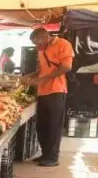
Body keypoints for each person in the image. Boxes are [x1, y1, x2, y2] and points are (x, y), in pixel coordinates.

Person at [24, 28, 74, 167]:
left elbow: (66, 67)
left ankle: (52, 157)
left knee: (54, 125)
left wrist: (43, 79)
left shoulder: (63, 44)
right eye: (35, 44)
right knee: (42, 125)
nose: (37, 46)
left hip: (57, 90)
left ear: (45, 37)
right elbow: (45, 68)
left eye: (38, 43)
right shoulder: (42, 49)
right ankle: (45, 153)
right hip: (43, 92)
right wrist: (33, 75)